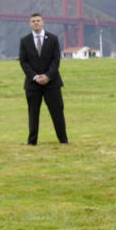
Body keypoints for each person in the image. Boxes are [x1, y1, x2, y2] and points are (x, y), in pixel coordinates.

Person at [18, 13, 69, 145]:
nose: (36, 23)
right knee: (33, 114)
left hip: (52, 83)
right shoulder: (24, 41)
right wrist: (35, 76)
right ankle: (32, 142)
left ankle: (63, 140)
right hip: (32, 84)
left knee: (57, 112)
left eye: (38, 20)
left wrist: (48, 76)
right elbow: (23, 62)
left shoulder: (53, 39)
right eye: (33, 21)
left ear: (43, 22)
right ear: (30, 24)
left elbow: (56, 59)